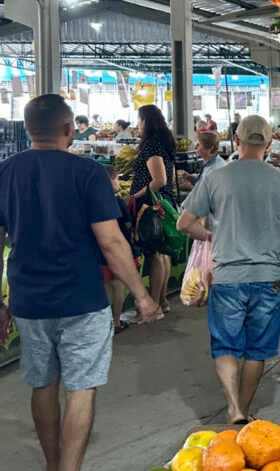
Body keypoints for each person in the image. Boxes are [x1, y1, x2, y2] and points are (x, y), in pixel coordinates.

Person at [0, 95, 159, 471]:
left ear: (27, 129)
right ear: (70, 129)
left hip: (29, 300)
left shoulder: (5, 172)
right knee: (80, 389)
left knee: (43, 384)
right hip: (82, 300)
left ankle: (53, 463)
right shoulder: (87, 173)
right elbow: (111, 241)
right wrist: (142, 296)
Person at [176, 115, 280, 425]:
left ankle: (233, 408)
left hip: (227, 278)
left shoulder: (216, 178)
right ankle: (243, 409)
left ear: (236, 140)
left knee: (226, 345)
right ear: (269, 143)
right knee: (257, 350)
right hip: (268, 276)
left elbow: (183, 222)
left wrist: (208, 235)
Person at [130, 104, 177, 315]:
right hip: (161, 203)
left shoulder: (151, 146)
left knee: (154, 255)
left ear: (146, 121)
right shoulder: (163, 144)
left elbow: (159, 180)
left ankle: (155, 307)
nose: (138, 125)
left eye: (140, 120)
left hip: (151, 207)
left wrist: (134, 197)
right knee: (161, 254)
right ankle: (163, 301)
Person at [101, 165, 138, 334]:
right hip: (119, 253)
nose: (119, 182)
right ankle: (116, 321)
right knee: (118, 287)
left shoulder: (96, 203)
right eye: (117, 179)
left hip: (100, 253)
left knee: (105, 288)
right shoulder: (118, 202)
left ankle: (103, 322)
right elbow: (129, 225)